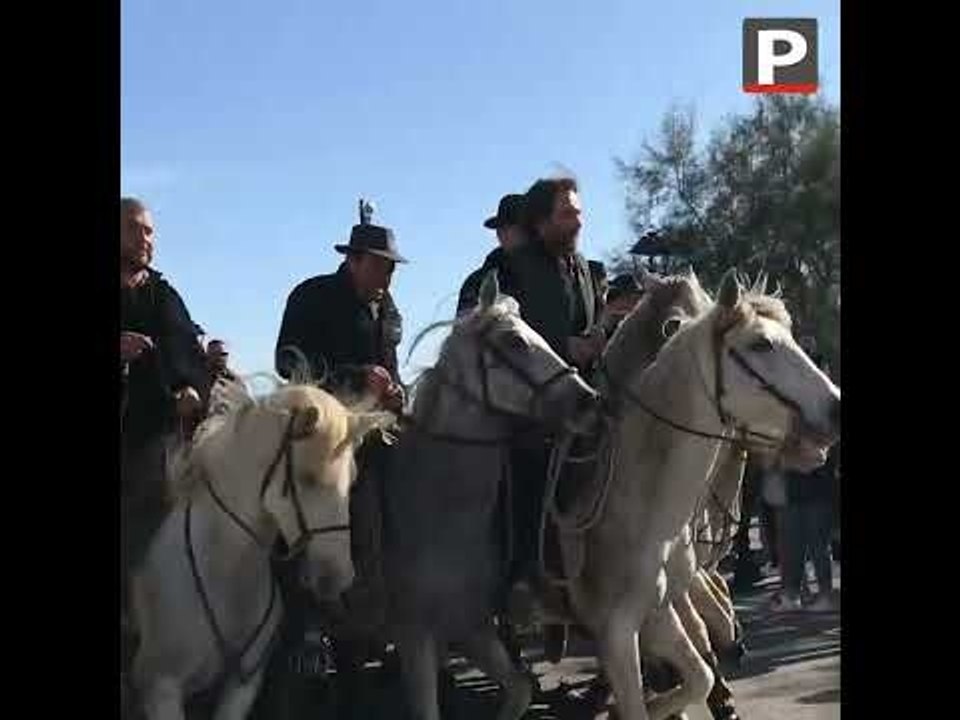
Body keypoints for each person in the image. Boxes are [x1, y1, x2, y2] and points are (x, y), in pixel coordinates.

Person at [268, 202, 407, 717]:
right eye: (382, 265)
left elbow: (390, 369)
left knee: (375, 541)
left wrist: (396, 393)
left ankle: (365, 642)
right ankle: (301, 630)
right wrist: (352, 374)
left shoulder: (387, 310)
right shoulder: (311, 297)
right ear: (355, 260)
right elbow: (288, 361)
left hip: (372, 443)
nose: (388, 276)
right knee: (304, 533)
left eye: (392, 268)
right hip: (319, 440)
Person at [120, 196, 211, 651]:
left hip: (158, 443)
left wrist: (196, 385)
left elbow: (188, 354)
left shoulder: (163, 294)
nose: (147, 240)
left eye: (151, 231)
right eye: (137, 229)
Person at [456, 193, 527, 314]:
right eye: (501, 228)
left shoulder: (560, 273)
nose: (502, 233)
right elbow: (465, 327)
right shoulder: (477, 282)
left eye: (512, 226)